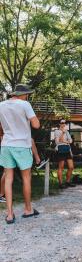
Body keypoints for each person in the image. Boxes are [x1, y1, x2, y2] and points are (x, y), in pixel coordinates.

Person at [0, 84, 40, 224]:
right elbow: (36, 125)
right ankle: (28, 209)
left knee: (8, 178)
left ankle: (10, 214)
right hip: (22, 145)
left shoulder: (1, 105)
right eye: (27, 94)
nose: (27, 96)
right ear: (23, 94)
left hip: (6, 145)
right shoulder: (25, 104)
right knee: (26, 178)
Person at [54, 119, 76, 189]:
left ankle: (67, 182)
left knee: (71, 167)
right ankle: (60, 183)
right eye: (62, 123)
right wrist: (63, 133)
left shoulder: (67, 131)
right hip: (60, 149)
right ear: (59, 124)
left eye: (65, 123)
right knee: (61, 167)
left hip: (67, 149)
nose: (63, 124)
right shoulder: (56, 131)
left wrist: (65, 141)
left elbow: (71, 141)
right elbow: (58, 142)